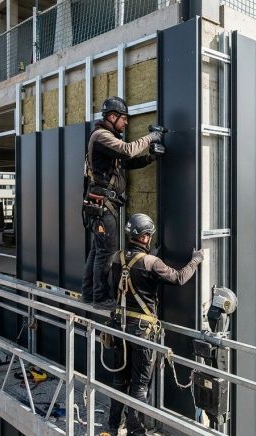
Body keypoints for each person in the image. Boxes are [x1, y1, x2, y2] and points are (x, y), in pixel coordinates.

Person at [106, 213, 203, 435]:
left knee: (120, 377)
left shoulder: (116, 258)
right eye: (149, 236)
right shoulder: (151, 263)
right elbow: (178, 277)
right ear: (144, 237)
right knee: (140, 383)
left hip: (119, 326)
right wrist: (195, 260)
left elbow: (120, 283)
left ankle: (113, 425)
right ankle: (136, 431)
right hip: (141, 330)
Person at [82, 96, 166, 309]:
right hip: (103, 206)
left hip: (101, 205)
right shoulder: (102, 136)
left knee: (97, 251)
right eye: (124, 118)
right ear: (112, 116)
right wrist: (152, 137)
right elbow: (128, 150)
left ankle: (89, 293)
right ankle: (100, 298)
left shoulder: (108, 139)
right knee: (106, 253)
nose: (126, 122)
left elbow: (127, 162)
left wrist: (152, 157)